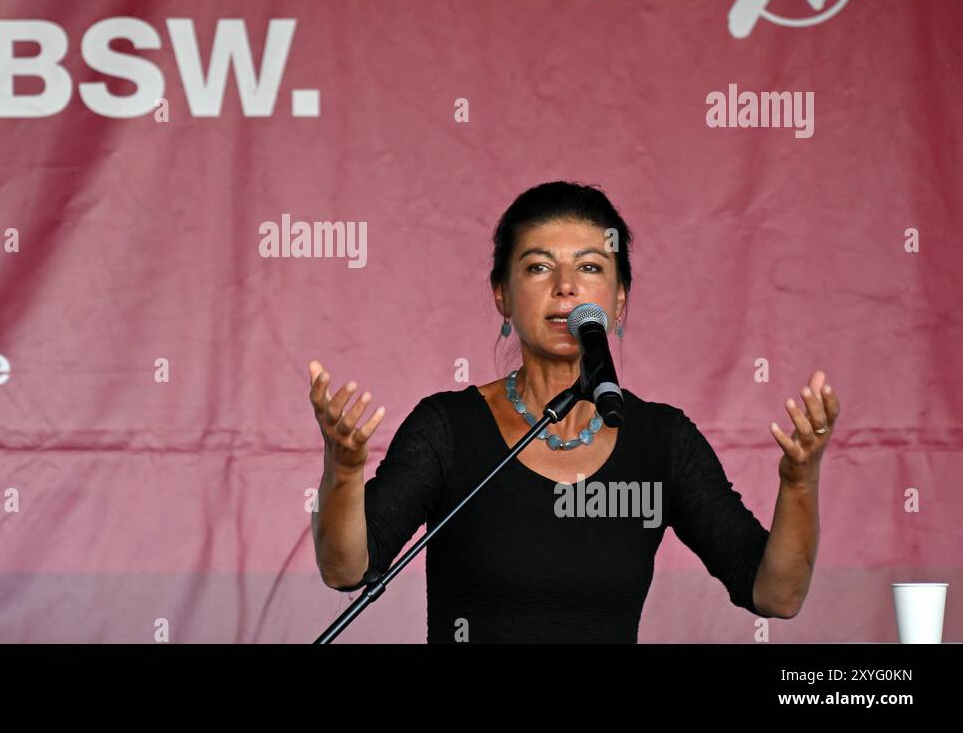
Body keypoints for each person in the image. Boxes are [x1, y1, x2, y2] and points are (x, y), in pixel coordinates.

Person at [309, 181, 840, 643]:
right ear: (502, 296)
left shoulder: (663, 441)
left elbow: (776, 596)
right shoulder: (446, 429)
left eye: (590, 266)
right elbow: (345, 569)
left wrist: (799, 483)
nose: (566, 285)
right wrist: (344, 471)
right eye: (539, 266)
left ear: (619, 298)